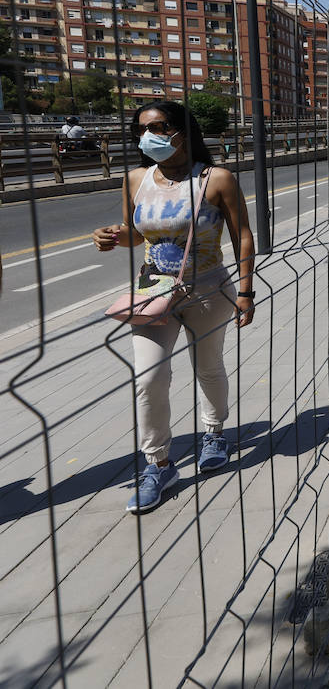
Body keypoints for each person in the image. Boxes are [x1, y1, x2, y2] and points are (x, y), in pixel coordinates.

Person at [92, 101, 256, 513]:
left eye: (160, 127)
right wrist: (114, 235)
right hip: (152, 293)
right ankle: (158, 464)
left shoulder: (216, 179)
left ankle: (214, 433)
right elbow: (134, 233)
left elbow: (243, 236)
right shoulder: (134, 179)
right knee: (149, 377)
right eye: (142, 130)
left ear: (183, 131)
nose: (150, 136)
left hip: (207, 289)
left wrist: (246, 291)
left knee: (208, 367)